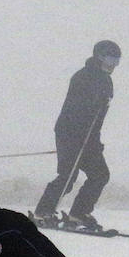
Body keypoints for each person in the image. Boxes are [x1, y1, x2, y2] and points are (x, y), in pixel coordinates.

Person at [33, 39, 120, 230]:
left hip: (89, 138)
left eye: (116, 60)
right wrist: (78, 136)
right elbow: (76, 110)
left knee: (100, 174)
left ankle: (78, 214)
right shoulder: (83, 77)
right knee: (68, 176)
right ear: (98, 56)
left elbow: (97, 118)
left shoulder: (106, 81)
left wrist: (94, 141)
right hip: (69, 134)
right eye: (109, 59)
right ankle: (42, 213)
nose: (112, 64)